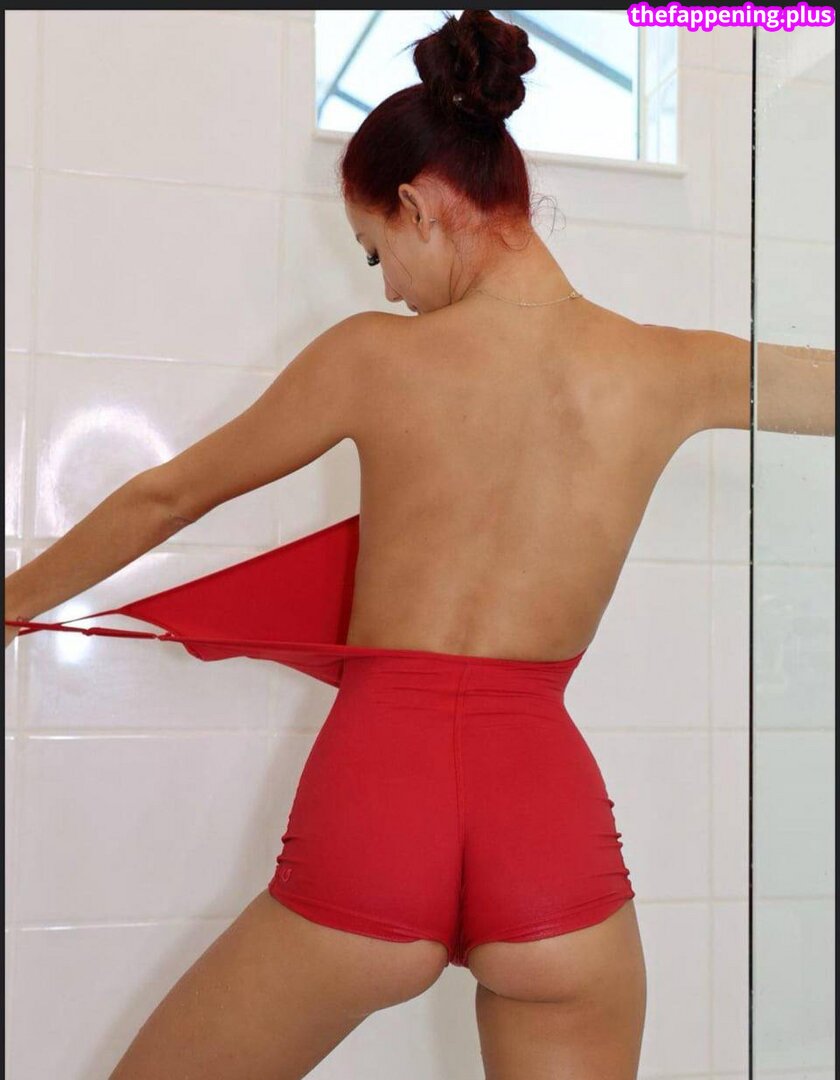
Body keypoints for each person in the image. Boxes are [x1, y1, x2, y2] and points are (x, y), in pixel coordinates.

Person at [3, 10, 834, 1080]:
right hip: (547, 825)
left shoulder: (371, 358)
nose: (387, 285)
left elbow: (166, 497)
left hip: (379, 802)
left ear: (418, 206)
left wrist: (11, 602)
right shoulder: (672, 368)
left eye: (375, 250)